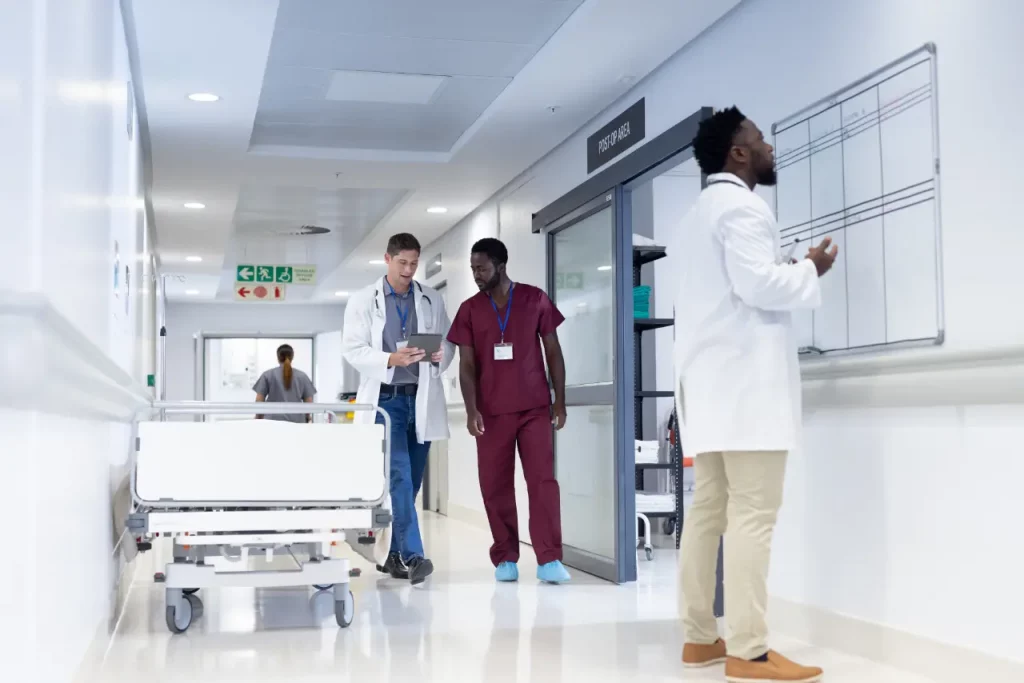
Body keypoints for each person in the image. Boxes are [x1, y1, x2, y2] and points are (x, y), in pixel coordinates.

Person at [673, 106, 838, 683]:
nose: (769, 147)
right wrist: (810, 269)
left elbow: (732, 287)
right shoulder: (742, 206)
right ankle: (749, 649)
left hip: (710, 388)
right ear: (738, 153)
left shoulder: (696, 214)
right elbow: (756, 284)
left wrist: (784, 269)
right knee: (753, 516)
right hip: (746, 390)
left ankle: (700, 639)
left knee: (708, 511)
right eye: (760, 139)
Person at [446, 238, 571, 584]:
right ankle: (505, 557)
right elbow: (466, 365)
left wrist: (559, 400)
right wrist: (471, 409)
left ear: (500, 266)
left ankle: (549, 558)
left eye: (482, 268)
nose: (476, 275)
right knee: (495, 485)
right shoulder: (470, 310)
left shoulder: (534, 299)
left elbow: (553, 351)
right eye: (473, 269)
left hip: (534, 408)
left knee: (542, 482)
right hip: (491, 411)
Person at [341, 233, 454, 585]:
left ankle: (391, 554)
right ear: (387, 259)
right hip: (385, 401)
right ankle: (414, 556)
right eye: (402, 262)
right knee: (400, 477)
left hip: (421, 397)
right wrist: (390, 358)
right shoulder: (363, 300)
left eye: (414, 263)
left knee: (411, 481)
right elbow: (353, 349)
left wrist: (441, 355)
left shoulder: (431, 298)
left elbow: (448, 343)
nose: (408, 270)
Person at [253, 344, 316, 422]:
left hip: (272, 421)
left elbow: (259, 400)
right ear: (292, 357)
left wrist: (258, 418)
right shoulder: (302, 376)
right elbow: (309, 401)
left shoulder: (267, 375)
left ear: (278, 357)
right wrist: (307, 417)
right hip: (297, 422)